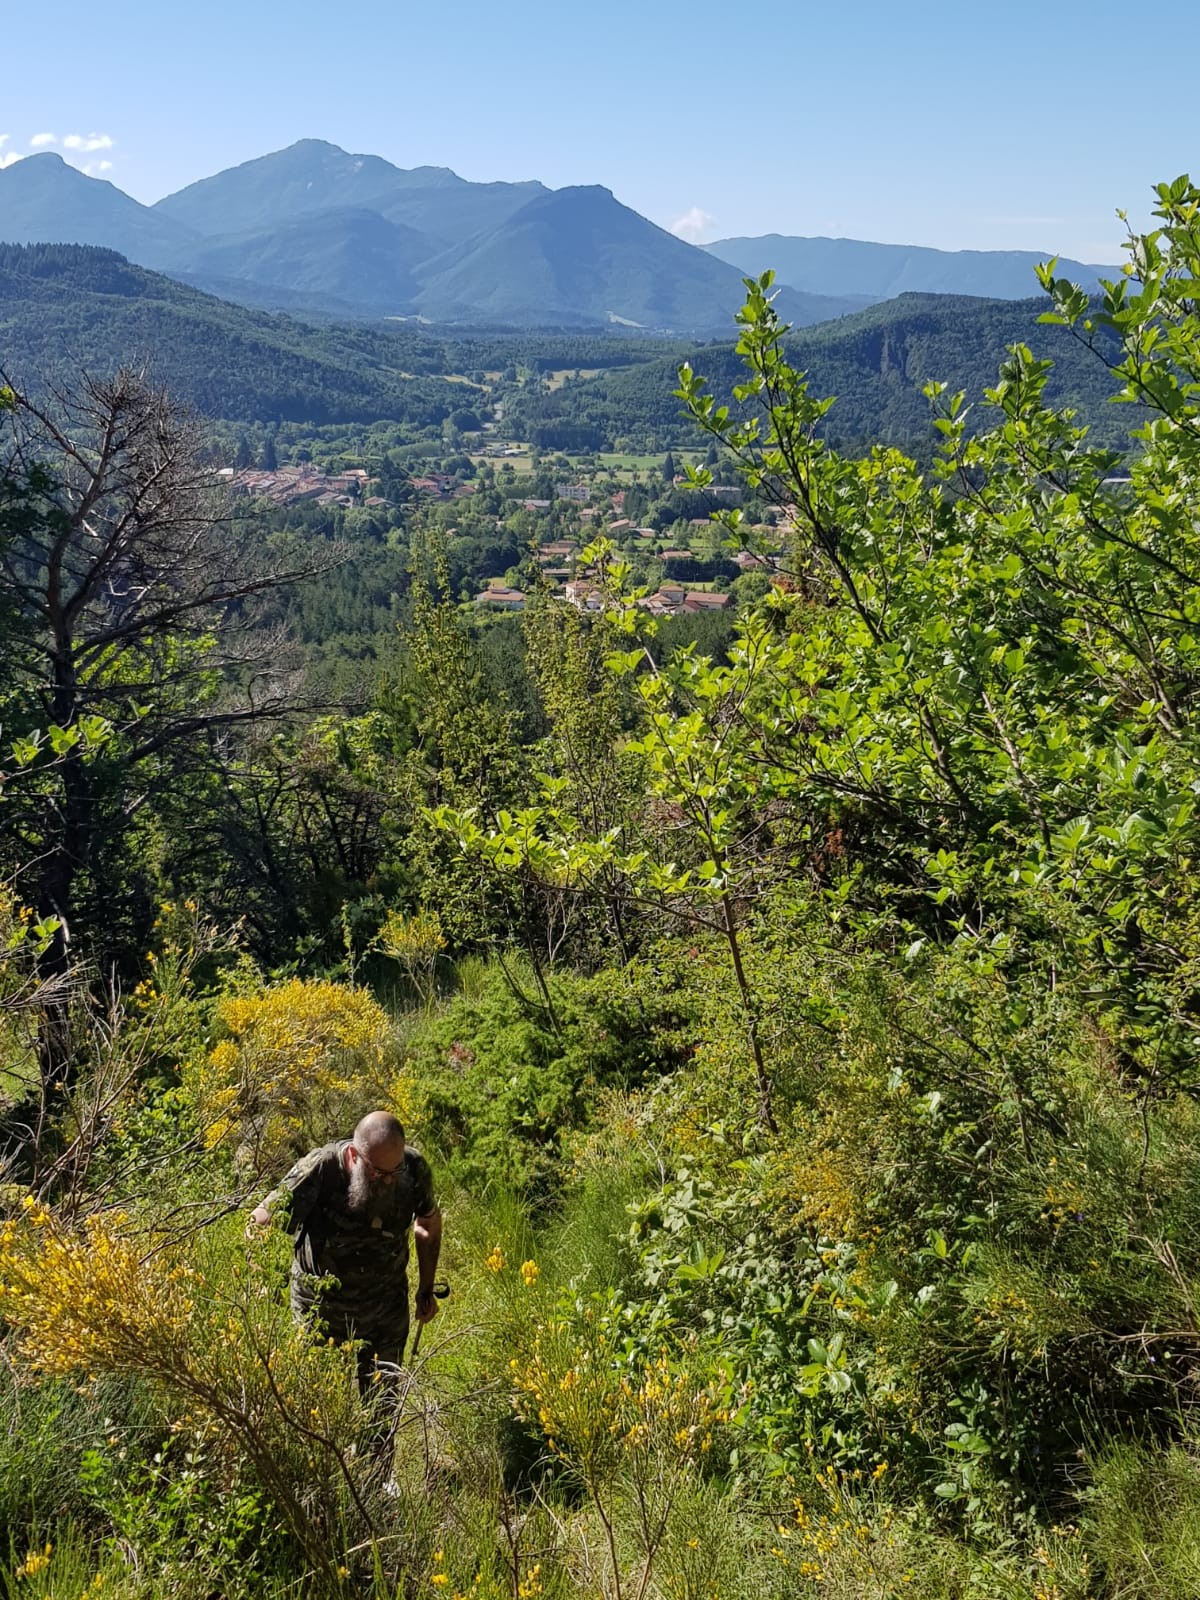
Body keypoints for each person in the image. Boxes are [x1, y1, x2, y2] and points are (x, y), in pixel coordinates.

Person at [248, 1110, 442, 1390]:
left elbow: (428, 1224)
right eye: (377, 1172)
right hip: (321, 1316)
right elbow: (258, 1225)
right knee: (317, 1409)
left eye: (393, 1172)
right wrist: (264, 1282)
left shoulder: (412, 1168)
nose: (387, 1181)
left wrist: (426, 1288)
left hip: (385, 1313)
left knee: (382, 1410)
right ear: (354, 1155)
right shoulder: (320, 1170)